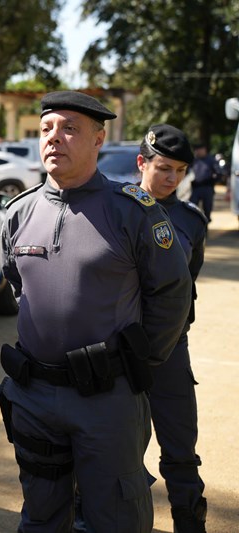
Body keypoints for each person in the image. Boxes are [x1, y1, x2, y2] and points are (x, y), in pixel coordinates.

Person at [0, 91, 192, 532]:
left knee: (115, 517)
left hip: (107, 398)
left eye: (69, 129)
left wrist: (138, 360)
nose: (54, 138)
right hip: (36, 394)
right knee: (41, 515)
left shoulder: (132, 211)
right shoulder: (20, 211)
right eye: (46, 129)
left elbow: (172, 292)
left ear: (99, 139)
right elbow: (18, 282)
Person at [137, 124, 208, 532]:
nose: (172, 179)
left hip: (170, 350)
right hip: (120, 350)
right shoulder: (117, 207)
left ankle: (189, 522)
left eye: (180, 171)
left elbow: (186, 286)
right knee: (119, 453)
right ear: (141, 162)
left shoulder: (191, 221)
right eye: (164, 167)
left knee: (181, 449)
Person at [189, 143, 221, 222]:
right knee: (192, 208)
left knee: (207, 208)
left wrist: (212, 181)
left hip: (207, 188)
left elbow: (219, 173)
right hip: (195, 188)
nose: (198, 152)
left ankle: (205, 226)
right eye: (196, 150)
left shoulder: (211, 160)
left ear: (204, 150)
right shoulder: (193, 160)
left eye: (200, 150)